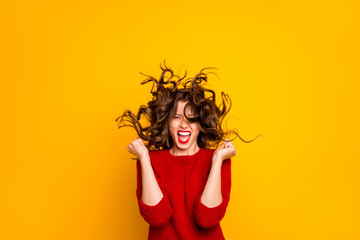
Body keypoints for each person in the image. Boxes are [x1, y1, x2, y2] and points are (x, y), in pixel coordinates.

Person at [115, 61, 261, 239]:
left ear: (201, 124)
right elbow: (158, 217)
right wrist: (144, 158)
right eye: (176, 117)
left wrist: (216, 160)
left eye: (192, 118)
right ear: (167, 123)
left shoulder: (218, 158)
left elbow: (207, 219)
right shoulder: (148, 160)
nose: (184, 124)